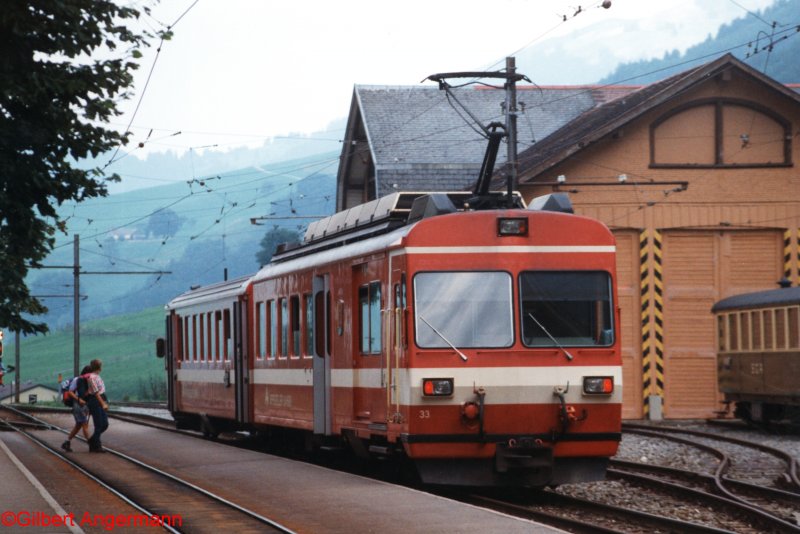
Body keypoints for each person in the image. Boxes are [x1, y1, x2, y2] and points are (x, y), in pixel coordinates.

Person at [61, 365, 92, 452]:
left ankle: (67, 442)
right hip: (78, 404)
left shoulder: (87, 380)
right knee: (84, 424)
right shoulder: (78, 380)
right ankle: (91, 444)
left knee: (79, 425)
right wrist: (79, 400)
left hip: (81, 405)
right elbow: (70, 392)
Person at [85, 358, 109, 453]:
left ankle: (92, 441)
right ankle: (97, 446)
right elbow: (96, 392)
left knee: (105, 424)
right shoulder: (91, 378)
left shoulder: (97, 377)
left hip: (100, 399)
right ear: (99, 367)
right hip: (95, 401)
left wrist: (104, 401)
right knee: (99, 425)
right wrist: (103, 403)